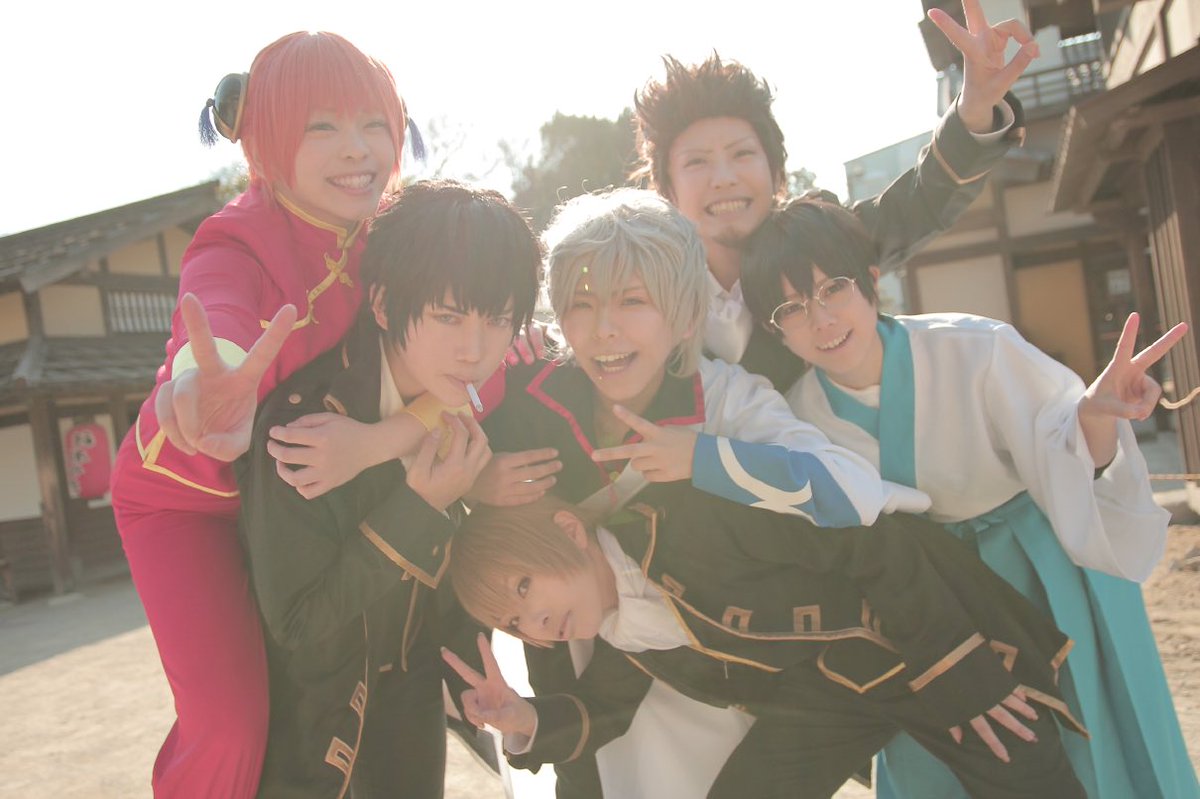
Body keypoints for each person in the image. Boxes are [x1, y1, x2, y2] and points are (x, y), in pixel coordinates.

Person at [475, 187, 933, 797]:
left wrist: (705, 458)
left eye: (632, 300)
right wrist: (474, 481)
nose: (604, 329)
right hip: (581, 663)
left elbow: (851, 490)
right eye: (581, 304)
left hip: (717, 666)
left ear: (687, 314)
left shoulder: (723, 398)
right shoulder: (526, 398)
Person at [737, 196, 1200, 798]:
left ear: (872, 280)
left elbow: (1063, 447)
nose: (821, 319)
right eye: (792, 307)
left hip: (1041, 573)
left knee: (1092, 751)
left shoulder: (975, 347)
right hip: (925, 609)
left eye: (833, 288)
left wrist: (1095, 416)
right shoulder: (797, 419)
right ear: (773, 328)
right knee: (939, 767)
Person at [108, 32, 430, 797]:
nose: (356, 149)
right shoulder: (236, 236)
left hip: (304, 498)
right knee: (231, 725)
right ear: (267, 137)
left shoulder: (400, 237)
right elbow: (215, 309)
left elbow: (464, 342)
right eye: (322, 126)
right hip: (191, 504)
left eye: (373, 123)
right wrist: (205, 379)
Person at [443, 492, 1089, 799]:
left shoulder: (685, 522)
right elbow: (604, 707)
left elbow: (874, 542)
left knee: (1031, 780)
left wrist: (959, 667)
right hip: (826, 699)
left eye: (524, 587)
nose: (536, 622)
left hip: (922, 647)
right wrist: (523, 718)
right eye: (514, 621)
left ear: (568, 528)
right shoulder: (617, 630)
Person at [235, 180, 542, 796]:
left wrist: (470, 676)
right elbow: (299, 623)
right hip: (311, 724)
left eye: (497, 320)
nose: (474, 350)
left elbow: (439, 587)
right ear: (381, 304)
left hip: (410, 710)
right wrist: (420, 506)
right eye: (448, 316)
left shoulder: (468, 403)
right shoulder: (305, 427)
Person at [631, 0, 1037, 392]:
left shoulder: (820, 238)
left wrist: (975, 110)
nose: (723, 179)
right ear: (667, 189)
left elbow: (923, 199)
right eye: (697, 162)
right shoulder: (643, 283)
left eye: (742, 154)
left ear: (776, 171)